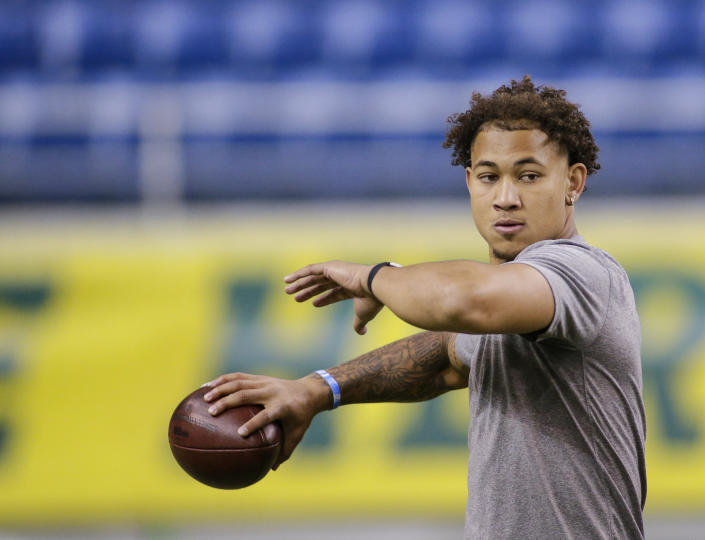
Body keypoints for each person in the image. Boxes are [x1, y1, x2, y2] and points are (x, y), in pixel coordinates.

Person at [202, 75, 646, 539]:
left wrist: (371, 276)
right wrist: (317, 390)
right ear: (470, 181)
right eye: (490, 176)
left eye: (529, 176)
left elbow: (463, 302)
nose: (506, 197)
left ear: (573, 182)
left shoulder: (579, 272)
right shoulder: (515, 298)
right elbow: (446, 360)